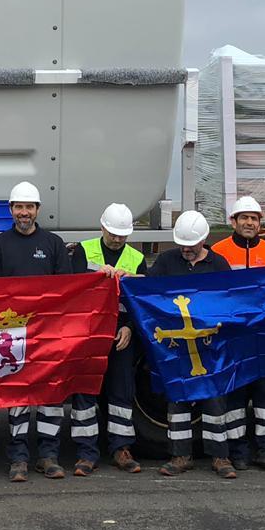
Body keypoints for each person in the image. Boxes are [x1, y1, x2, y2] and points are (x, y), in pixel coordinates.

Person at [0, 181, 85, 482]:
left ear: (38, 210)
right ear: (11, 210)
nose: (24, 212)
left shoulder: (53, 244)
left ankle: (48, 456)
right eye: (19, 207)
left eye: (29, 207)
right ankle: (18, 458)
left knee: (50, 394)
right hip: (13, 334)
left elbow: (64, 291)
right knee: (17, 396)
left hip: (48, 333)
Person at [151, 211, 238, 479]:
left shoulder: (218, 264)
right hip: (177, 346)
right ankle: (180, 455)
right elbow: (149, 293)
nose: (186, 250)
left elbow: (229, 300)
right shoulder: (166, 261)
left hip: (210, 345)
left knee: (215, 399)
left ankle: (220, 456)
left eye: (191, 245)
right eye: (182, 245)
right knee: (177, 398)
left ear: (204, 240)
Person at [70, 203, 148, 475]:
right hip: (89, 332)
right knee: (85, 390)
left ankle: (121, 448)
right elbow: (72, 290)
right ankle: (86, 452)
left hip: (120, 333)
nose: (116, 239)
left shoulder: (136, 258)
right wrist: (94, 275)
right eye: (113, 233)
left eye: (122, 235)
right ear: (102, 226)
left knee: (121, 390)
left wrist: (130, 328)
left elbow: (141, 302)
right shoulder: (83, 251)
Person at [211, 195, 265, 471]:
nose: (250, 223)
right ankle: (238, 450)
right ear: (233, 221)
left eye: (254, 218)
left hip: (264, 333)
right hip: (232, 334)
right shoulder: (218, 251)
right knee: (235, 391)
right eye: (244, 218)